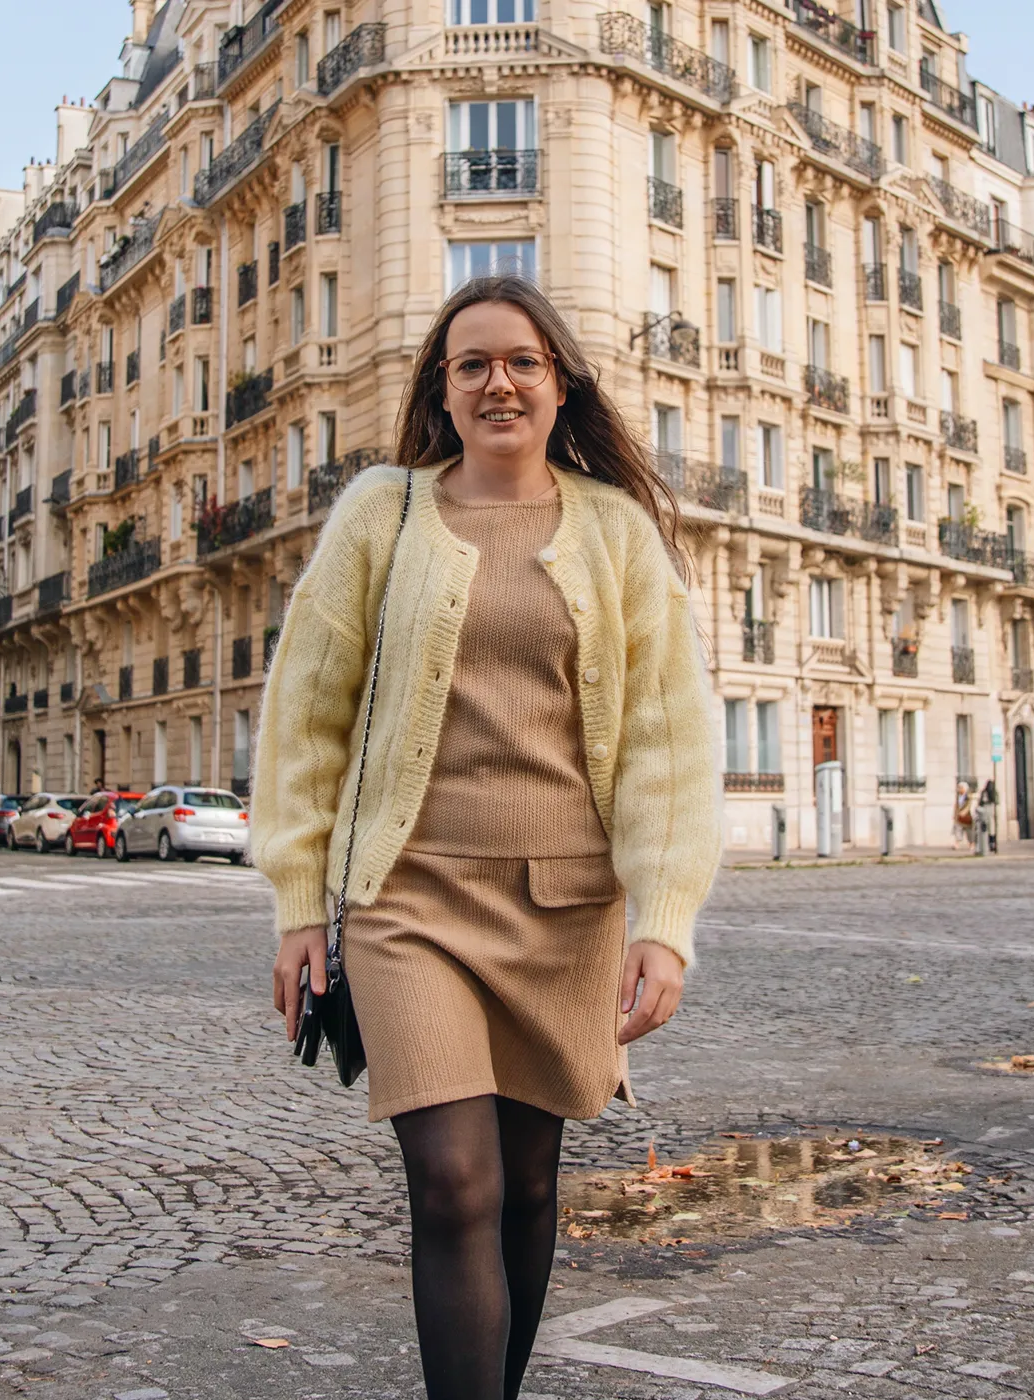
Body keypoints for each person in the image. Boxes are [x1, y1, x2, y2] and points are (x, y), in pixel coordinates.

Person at [252, 275, 722, 1400]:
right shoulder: (385, 510)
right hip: (408, 902)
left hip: (565, 909)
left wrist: (663, 919)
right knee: (453, 1184)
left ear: (560, 383)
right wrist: (297, 899)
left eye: (520, 360)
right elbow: (306, 711)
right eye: (472, 364)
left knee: (524, 1186)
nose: (498, 380)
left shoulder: (614, 531)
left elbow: (667, 735)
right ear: (443, 391)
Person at [977, 777, 998, 853]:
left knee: (988, 828)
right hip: (989, 811)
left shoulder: (986, 792)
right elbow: (997, 801)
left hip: (987, 811)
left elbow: (980, 802)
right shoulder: (990, 793)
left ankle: (990, 844)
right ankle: (992, 844)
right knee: (990, 829)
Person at [953, 781, 974, 849]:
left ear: (964, 788)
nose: (959, 789)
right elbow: (956, 805)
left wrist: (963, 812)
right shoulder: (958, 796)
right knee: (958, 829)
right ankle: (957, 844)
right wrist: (955, 814)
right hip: (959, 816)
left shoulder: (968, 795)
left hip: (967, 816)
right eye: (959, 788)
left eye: (961, 788)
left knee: (969, 831)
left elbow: (969, 805)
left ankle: (971, 843)